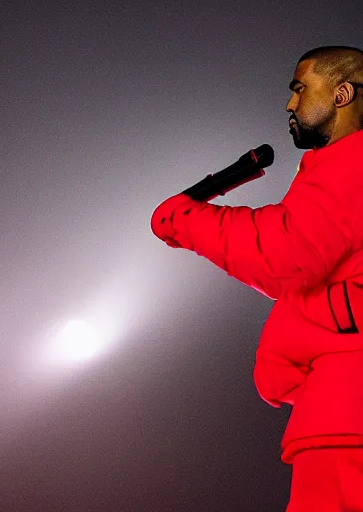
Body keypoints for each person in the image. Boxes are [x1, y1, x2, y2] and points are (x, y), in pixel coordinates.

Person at [150, 46, 363, 511]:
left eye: (300, 89)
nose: (290, 105)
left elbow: (285, 254)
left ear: (343, 94)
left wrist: (185, 220)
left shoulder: (353, 164)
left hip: (348, 423)